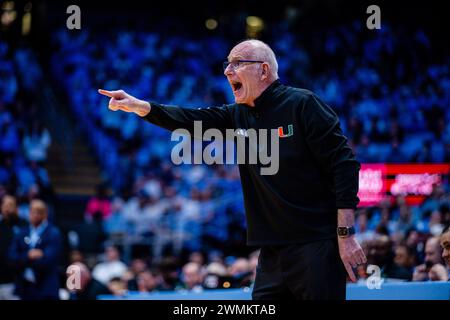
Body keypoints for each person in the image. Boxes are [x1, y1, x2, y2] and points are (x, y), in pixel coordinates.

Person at [98, 39, 366, 300]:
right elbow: (190, 120)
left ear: (263, 70)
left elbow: (343, 165)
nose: (227, 70)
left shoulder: (303, 104)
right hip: (271, 252)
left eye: (237, 63)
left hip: (316, 243)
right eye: (227, 64)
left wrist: (345, 234)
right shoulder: (237, 114)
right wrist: (138, 106)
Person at [8, 199, 63, 300]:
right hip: (25, 288)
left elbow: (48, 260)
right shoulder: (22, 232)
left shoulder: (54, 233)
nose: (35, 215)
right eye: (33, 211)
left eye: (39, 212)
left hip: (46, 289)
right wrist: (28, 255)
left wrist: (23, 259)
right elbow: (12, 257)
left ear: (45, 214)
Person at [0, 195, 28, 299]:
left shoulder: (24, 226)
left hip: (15, 282)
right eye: (5, 205)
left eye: (10, 205)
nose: (7, 208)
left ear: (17, 208)